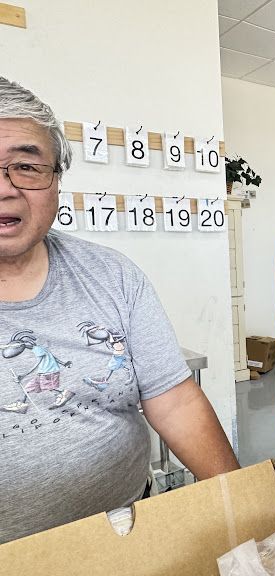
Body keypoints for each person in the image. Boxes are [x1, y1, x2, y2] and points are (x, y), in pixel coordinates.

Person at [0, 77, 240, 544]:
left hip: (128, 532)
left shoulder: (112, 275)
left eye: (26, 166)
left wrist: (240, 505)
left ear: (57, 180)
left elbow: (175, 401)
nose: (6, 188)